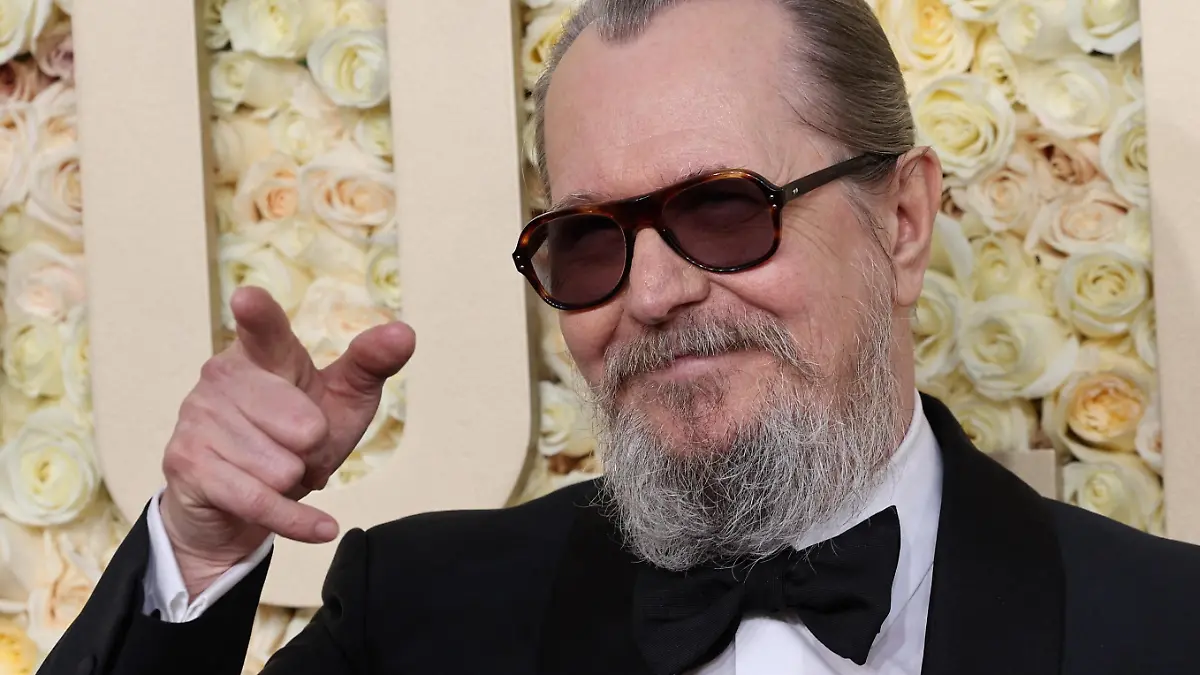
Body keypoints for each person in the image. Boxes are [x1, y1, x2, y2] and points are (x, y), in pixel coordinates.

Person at [38, 0, 1200, 674]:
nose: (651, 294)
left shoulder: (1163, 629)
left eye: (724, 209)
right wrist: (196, 552)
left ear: (900, 221)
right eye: (591, 241)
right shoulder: (426, 618)